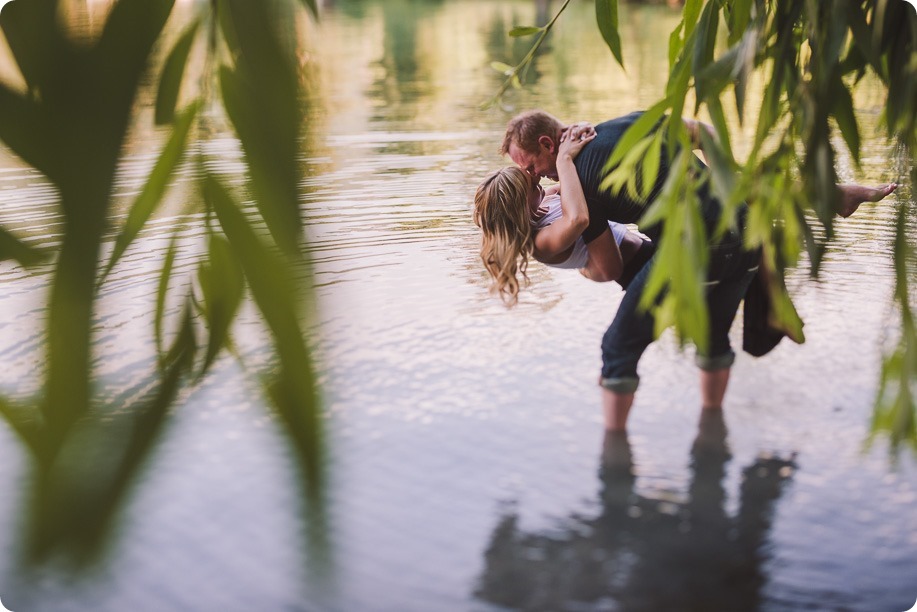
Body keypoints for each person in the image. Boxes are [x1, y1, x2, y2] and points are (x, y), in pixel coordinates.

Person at [489, 110, 897, 432]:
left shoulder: (582, 187)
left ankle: (612, 464)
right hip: (748, 234)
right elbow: (701, 130)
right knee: (711, 333)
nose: (535, 176)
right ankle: (712, 428)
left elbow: (608, 265)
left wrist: (587, 272)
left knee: (617, 349)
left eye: (532, 167)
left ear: (548, 144)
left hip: (698, 253)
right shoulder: (627, 124)